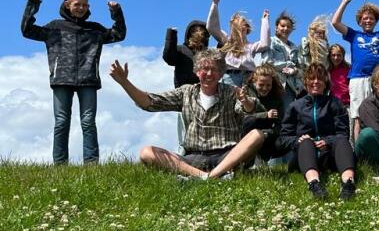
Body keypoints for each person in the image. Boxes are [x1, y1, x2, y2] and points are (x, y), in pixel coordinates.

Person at [109, 48, 266, 180]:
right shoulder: (186, 92)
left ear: (220, 74)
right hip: (194, 158)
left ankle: (211, 176)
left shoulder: (232, 93)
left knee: (257, 135)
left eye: (214, 70)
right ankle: (205, 176)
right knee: (147, 152)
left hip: (228, 155)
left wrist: (245, 101)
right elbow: (148, 102)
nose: (209, 73)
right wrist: (125, 83)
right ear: (197, 71)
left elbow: (249, 109)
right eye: (205, 69)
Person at [21, 0, 126, 165]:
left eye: (84, 5)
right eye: (77, 4)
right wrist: (32, 6)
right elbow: (27, 30)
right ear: (67, 4)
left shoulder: (95, 29)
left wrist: (116, 12)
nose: (81, 8)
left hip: (88, 80)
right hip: (61, 79)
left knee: (88, 122)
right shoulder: (54, 27)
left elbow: (119, 34)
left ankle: (91, 164)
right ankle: (60, 165)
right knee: (61, 122)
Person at [331, 0, 379, 141]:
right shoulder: (354, 35)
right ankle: (358, 152)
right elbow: (335, 23)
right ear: (360, 21)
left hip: (376, 80)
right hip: (357, 79)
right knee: (357, 117)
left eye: (371, 18)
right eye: (365, 18)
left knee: (378, 115)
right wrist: (344, 2)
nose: (368, 21)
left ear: (376, 21)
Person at [278, 63, 356, 200]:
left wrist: (327, 141)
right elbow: (284, 137)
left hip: (329, 155)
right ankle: (314, 184)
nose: (315, 82)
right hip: (305, 155)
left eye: (319, 79)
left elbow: (342, 133)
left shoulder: (335, 103)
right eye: (312, 79)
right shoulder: (295, 106)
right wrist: (297, 141)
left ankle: (348, 184)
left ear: (325, 83)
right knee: (306, 141)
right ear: (306, 82)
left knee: (343, 141)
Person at [162, 20, 210, 154]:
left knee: (202, 124)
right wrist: (171, 34)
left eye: (203, 32)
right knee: (184, 125)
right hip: (183, 94)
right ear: (189, 34)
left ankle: (200, 153)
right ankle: (182, 153)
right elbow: (169, 58)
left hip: (203, 94)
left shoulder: (207, 54)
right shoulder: (181, 50)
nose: (200, 34)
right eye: (196, 31)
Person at [206, 0, 269, 86]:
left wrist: (265, 21)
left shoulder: (251, 46)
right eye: (236, 26)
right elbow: (212, 27)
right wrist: (215, 3)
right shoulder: (227, 41)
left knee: (246, 100)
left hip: (249, 78)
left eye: (243, 25)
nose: (240, 28)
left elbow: (265, 43)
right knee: (229, 100)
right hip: (230, 78)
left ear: (247, 28)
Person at [241, 63, 286, 166]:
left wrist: (264, 134)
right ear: (254, 82)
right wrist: (265, 115)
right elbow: (243, 119)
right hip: (245, 134)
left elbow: (280, 125)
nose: (265, 88)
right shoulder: (245, 93)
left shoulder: (277, 98)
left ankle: (264, 161)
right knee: (251, 121)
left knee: (284, 140)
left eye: (268, 85)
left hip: (267, 135)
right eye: (261, 85)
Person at [266, 11, 304, 100]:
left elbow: (301, 68)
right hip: (275, 84)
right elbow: (267, 62)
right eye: (282, 26)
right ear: (276, 27)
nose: (285, 29)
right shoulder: (270, 41)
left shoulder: (294, 47)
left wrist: (294, 71)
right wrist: (288, 65)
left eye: (289, 27)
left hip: (293, 87)